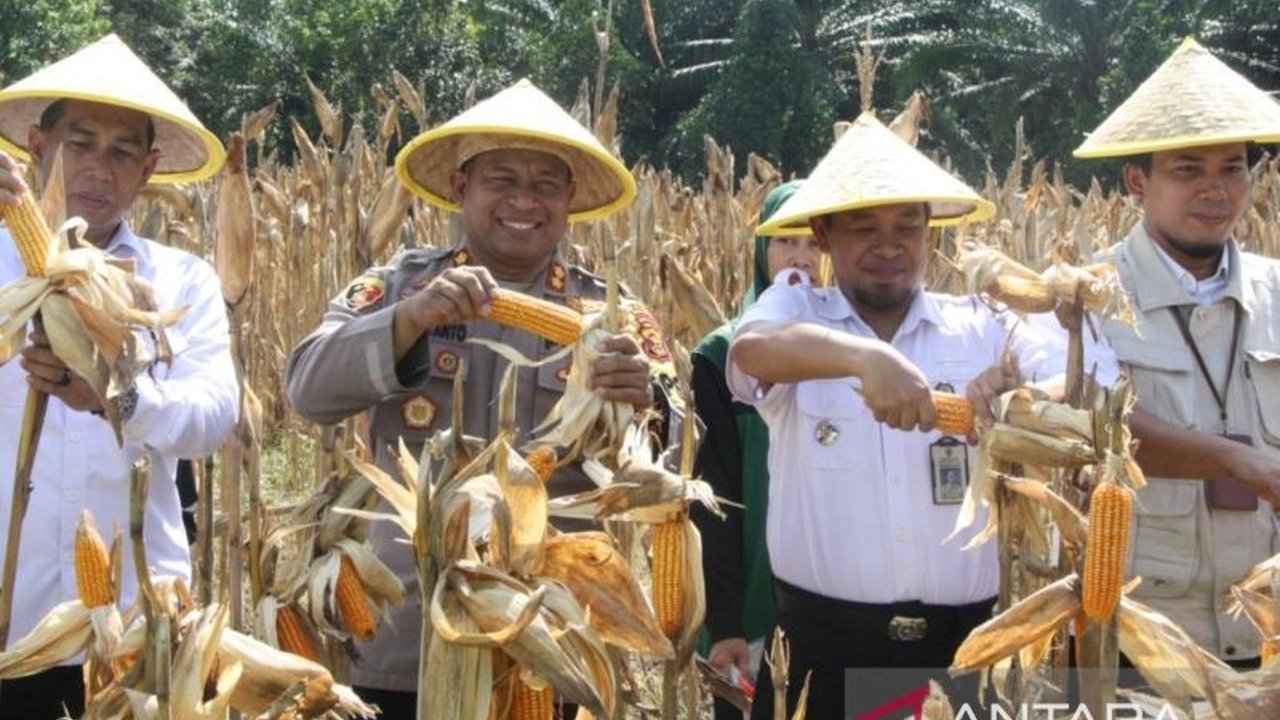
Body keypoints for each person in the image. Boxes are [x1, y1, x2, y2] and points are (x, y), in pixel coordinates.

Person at [287, 78, 679, 716]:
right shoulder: (398, 287)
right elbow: (307, 390)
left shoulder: (615, 316)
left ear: (569, 199)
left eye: (546, 183)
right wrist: (407, 321)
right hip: (407, 628)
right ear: (459, 186)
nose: (524, 200)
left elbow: (681, 455)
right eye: (502, 179)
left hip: (549, 636)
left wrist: (645, 406)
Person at [726, 113, 1119, 719]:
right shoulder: (798, 310)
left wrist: (1022, 396)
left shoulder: (981, 322)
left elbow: (1096, 378)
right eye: (865, 228)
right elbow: (751, 350)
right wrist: (865, 358)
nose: (889, 247)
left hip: (963, 650)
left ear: (930, 232)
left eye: (907, 226)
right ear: (824, 236)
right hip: (823, 650)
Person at [0, 34, 237, 718]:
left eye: (122, 153)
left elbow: (211, 418)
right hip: (10, 619)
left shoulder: (180, 280)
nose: (98, 171)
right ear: (37, 147)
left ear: (148, 169)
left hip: (136, 630)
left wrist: (115, 397)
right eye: (80, 144)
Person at [1075, 37, 1280, 667]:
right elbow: (1093, 428)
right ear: (1138, 180)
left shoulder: (1277, 293)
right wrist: (1240, 462)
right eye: (1189, 170)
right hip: (1145, 639)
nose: (1216, 190)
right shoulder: (1085, 299)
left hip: (1268, 630)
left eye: (1233, 169)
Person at [691, 180, 820, 720]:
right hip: (748, 602)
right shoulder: (722, 356)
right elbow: (712, 497)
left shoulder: (865, 354)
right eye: (785, 241)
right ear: (761, 249)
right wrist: (725, 622)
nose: (801, 258)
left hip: (835, 607)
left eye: (815, 242)